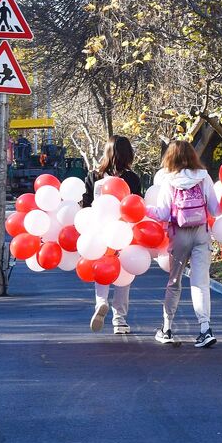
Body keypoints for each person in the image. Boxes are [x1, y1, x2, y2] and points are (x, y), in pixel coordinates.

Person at [146, 141, 219, 348]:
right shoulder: (203, 177)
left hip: (178, 235)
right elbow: (214, 209)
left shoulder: (168, 180)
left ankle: (167, 328)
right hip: (201, 234)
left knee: (174, 281)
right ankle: (205, 329)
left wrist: (144, 209)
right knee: (200, 283)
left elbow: (162, 213)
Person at [85, 135, 143, 334]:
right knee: (124, 272)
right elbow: (138, 207)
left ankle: (101, 302)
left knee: (102, 268)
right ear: (128, 154)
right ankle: (119, 319)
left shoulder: (94, 177)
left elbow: (85, 206)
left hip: (98, 231)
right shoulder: (132, 179)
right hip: (124, 232)